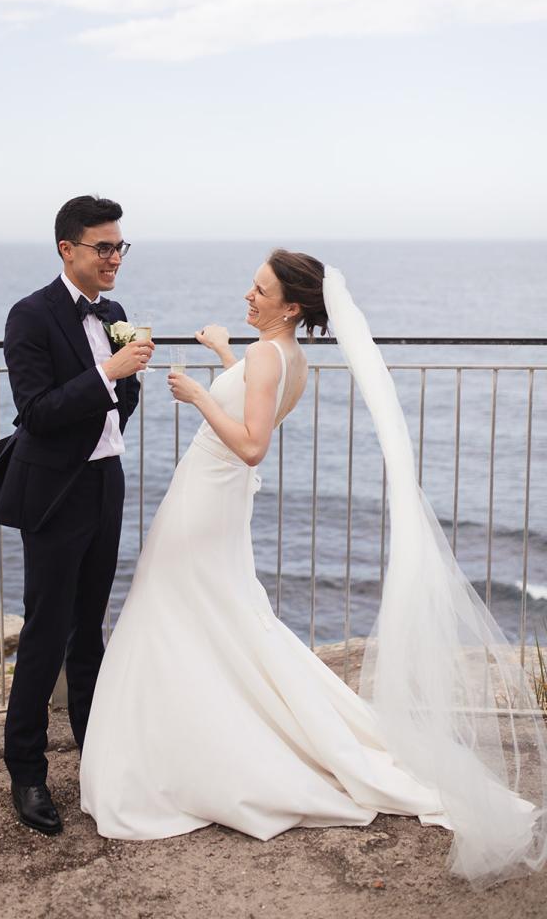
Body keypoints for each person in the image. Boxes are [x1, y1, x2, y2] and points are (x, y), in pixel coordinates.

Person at [79, 251, 547, 888]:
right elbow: (257, 401)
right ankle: (215, 731)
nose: (249, 294)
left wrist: (194, 394)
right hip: (215, 508)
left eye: (261, 289)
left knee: (172, 613)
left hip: (207, 501)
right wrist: (224, 357)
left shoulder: (270, 357)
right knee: (217, 617)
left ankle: (179, 757)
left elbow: (249, 445)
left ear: (291, 306)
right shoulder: (287, 357)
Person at [0, 195, 153, 836]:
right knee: (46, 631)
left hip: (104, 482)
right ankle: (26, 771)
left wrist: (125, 375)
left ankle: (95, 755)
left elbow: (118, 402)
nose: (114, 258)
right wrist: (107, 371)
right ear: (67, 249)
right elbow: (37, 410)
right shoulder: (30, 315)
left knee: (91, 629)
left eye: (119, 247)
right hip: (54, 492)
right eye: (103, 247)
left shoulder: (114, 313)